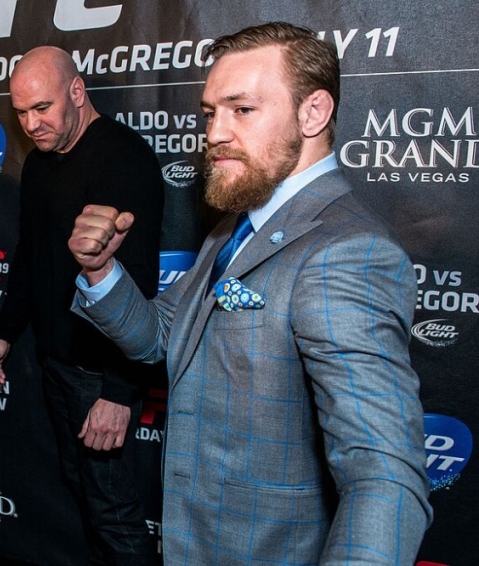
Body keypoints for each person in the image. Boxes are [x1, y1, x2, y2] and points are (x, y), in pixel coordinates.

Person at [67, 22, 432, 565]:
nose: (215, 132)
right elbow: (162, 339)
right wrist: (100, 271)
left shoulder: (346, 251)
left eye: (242, 110)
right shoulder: (234, 226)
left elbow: (383, 473)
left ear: (313, 113)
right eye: (211, 112)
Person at [0, 46, 164, 565]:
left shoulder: (125, 158)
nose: (31, 124)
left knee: (113, 510)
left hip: (99, 372)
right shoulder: (40, 164)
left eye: (43, 108)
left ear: (78, 93)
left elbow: (139, 285)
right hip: (56, 361)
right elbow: (30, 253)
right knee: (84, 492)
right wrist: (5, 331)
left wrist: (117, 392)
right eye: (20, 113)